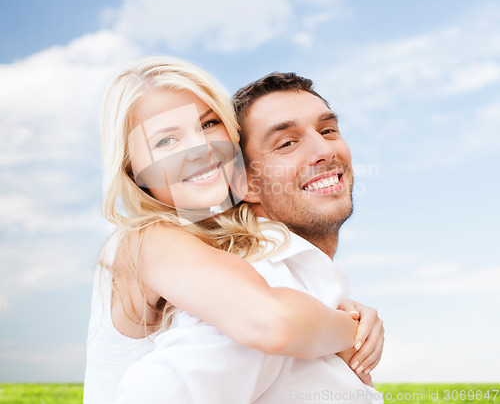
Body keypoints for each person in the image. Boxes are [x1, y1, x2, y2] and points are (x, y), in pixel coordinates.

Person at [84, 58, 383, 404]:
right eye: (165, 141)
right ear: (134, 172)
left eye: (209, 124)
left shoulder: (227, 246)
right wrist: (351, 329)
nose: (200, 150)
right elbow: (272, 321)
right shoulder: (147, 240)